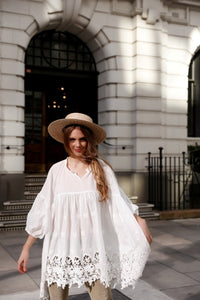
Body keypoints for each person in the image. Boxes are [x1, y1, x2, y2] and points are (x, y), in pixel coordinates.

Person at [18, 112, 152, 300]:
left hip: (93, 248)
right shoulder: (56, 171)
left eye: (82, 139)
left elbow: (119, 201)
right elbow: (42, 209)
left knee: (103, 297)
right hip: (61, 248)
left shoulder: (101, 169)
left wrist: (139, 220)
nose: (77, 144)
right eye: (72, 139)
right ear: (66, 140)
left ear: (89, 140)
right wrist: (26, 248)